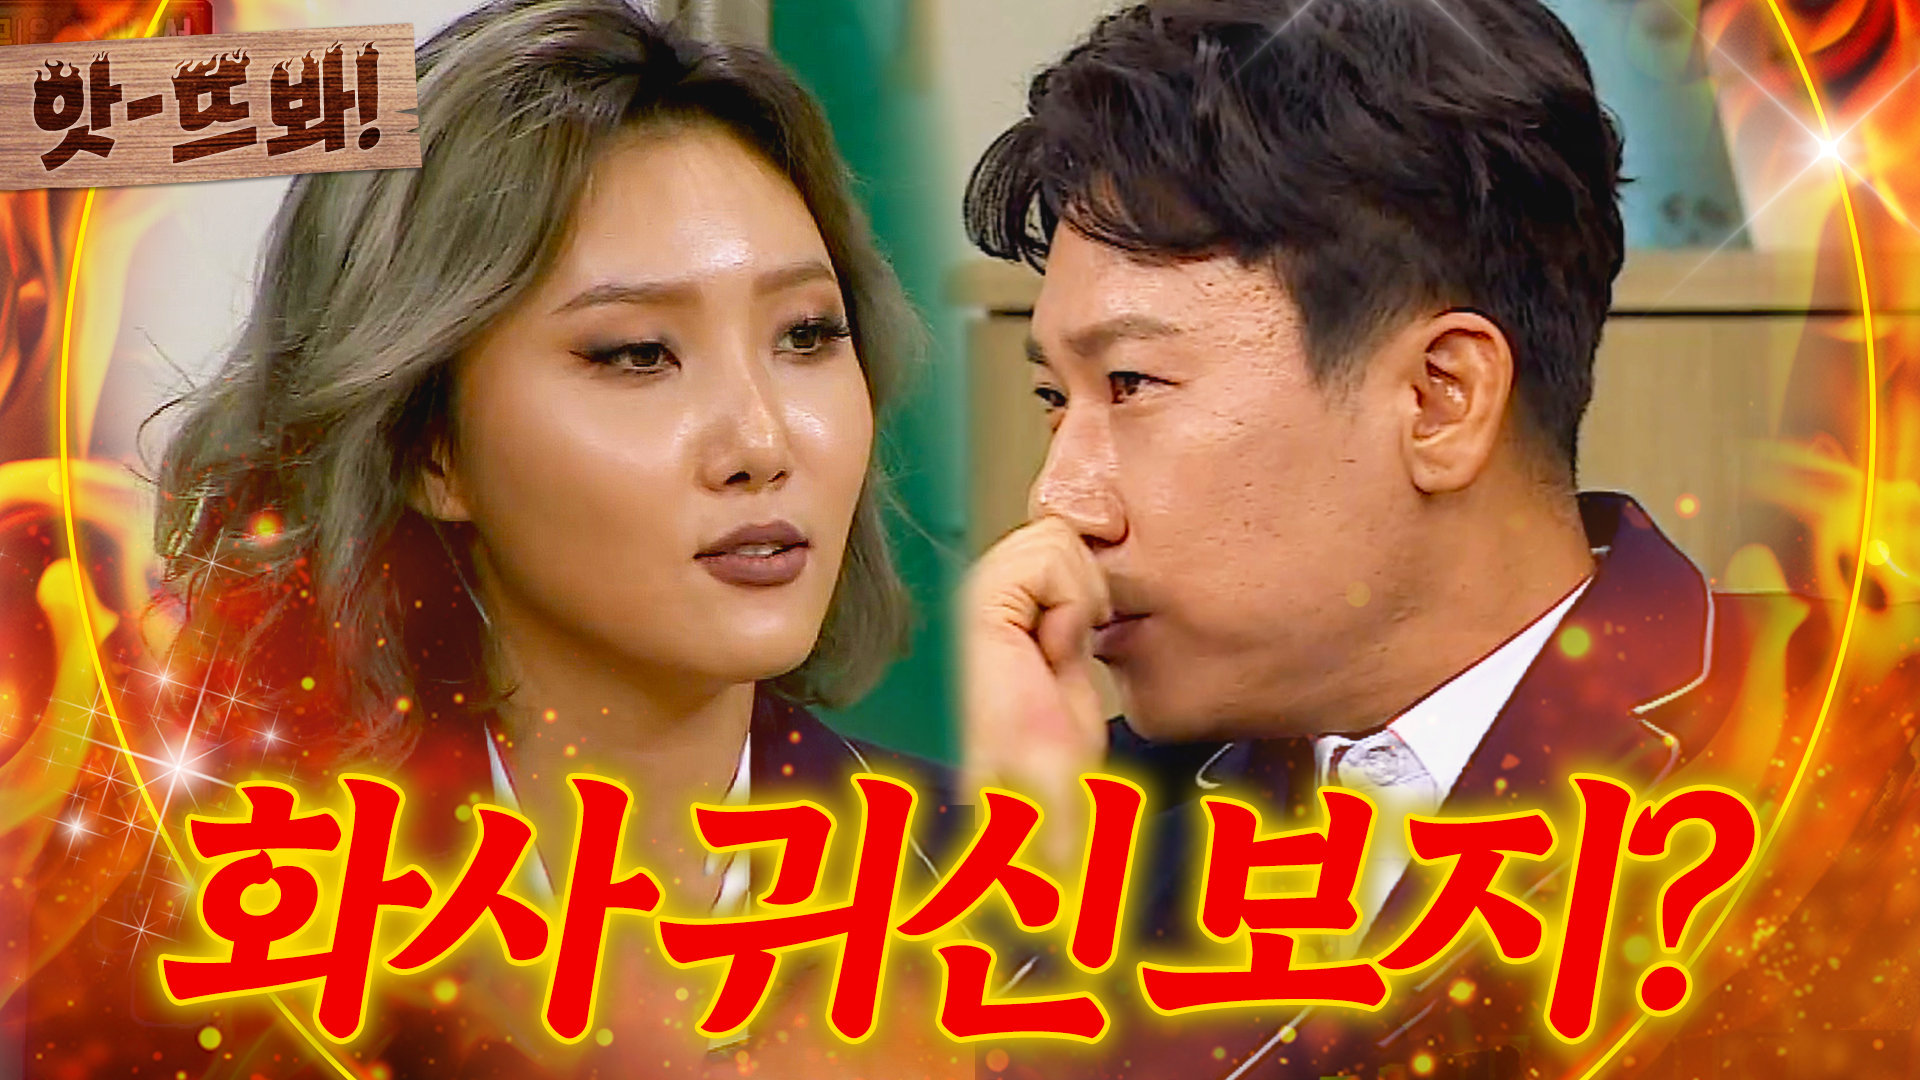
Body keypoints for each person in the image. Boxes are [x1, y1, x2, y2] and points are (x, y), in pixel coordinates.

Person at [957, 0, 1914, 1076]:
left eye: (1132, 383)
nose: (1060, 499)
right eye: (1055, 399)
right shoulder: (1098, 815)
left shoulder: (1858, 763)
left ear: (1438, 400)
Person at [11, 2, 955, 1076]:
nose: (763, 442)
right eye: (638, 353)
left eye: (808, 335)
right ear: (430, 445)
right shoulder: (205, 938)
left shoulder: (1005, 896)